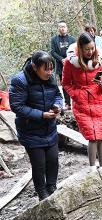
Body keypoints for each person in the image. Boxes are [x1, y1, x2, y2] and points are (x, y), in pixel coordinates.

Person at [9, 51, 63, 200]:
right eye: (45, 69)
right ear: (34, 67)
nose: (49, 72)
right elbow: (17, 106)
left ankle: (52, 187)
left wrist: (58, 106)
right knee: (39, 164)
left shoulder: (50, 77)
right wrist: (41, 114)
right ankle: (42, 193)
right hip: (30, 130)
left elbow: (58, 95)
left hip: (49, 128)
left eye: (51, 68)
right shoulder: (20, 80)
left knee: (53, 161)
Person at [62, 32, 102, 172]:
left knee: (100, 136)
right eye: (87, 49)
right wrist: (76, 94)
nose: (90, 52)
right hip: (81, 104)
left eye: (92, 48)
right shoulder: (70, 63)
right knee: (92, 137)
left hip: (98, 102)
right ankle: (92, 168)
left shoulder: (100, 61)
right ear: (80, 48)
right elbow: (66, 83)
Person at [50, 21, 76, 110]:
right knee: (65, 84)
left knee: (75, 84)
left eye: (64, 26)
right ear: (58, 28)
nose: (62, 28)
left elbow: (76, 51)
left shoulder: (72, 39)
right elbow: (52, 52)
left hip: (72, 64)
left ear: (67, 28)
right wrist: (61, 59)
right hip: (61, 65)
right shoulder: (54, 39)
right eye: (60, 27)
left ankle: (76, 102)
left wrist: (68, 59)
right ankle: (67, 103)